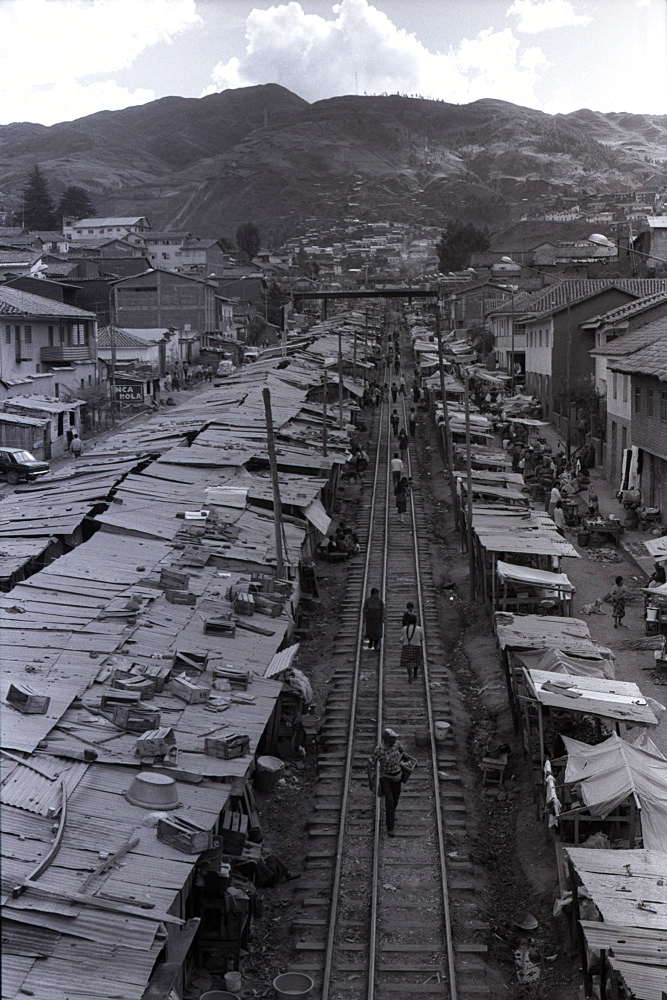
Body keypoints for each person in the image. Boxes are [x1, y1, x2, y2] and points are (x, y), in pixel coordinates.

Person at [368, 728, 405, 836]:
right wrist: (371, 780)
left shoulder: (397, 745)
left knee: (395, 798)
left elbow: (402, 752)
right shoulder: (379, 750)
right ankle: (390, 827)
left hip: (397, 777)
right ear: (387, 740)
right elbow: (370, 762)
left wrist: (405, 764)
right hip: (386, 778)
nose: (395, 739)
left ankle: (391, 816)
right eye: (393, 738)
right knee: (389, 802)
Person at [400, 612, 424, 683]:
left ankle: (410, 676)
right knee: (415, 661)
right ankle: (415, 674)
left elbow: (402, 637)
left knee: (408, 663)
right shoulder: (419, 629)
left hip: (407, 646)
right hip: (416, 646)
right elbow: (422, 638)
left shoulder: (404, 628)